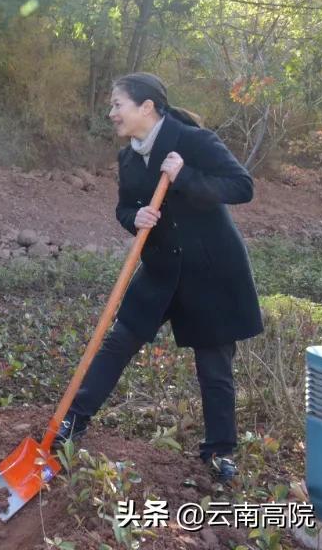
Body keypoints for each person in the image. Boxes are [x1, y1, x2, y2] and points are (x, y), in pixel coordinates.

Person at [54, 73, 262, 482]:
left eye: (118, 104)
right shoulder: (128, 157)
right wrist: (137, 217)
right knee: (118, 343)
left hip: (209, 271)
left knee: (213, 365)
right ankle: (72, 423)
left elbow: (242, 187)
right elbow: (123, 208)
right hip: (161, 270)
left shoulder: (193, 141)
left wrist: (185, 177)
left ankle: (220, 452)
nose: (112, 112)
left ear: (146, 106)